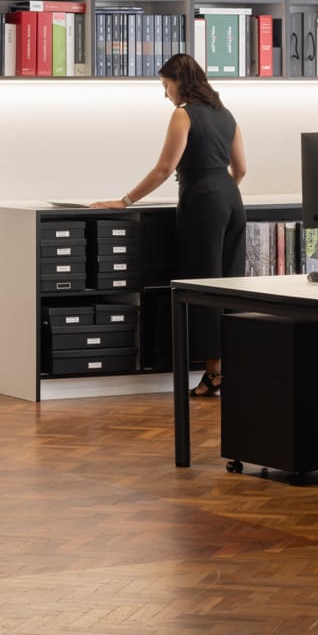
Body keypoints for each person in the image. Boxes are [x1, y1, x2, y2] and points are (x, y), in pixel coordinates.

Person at [94, 53, 246, 396]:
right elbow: (241, 169)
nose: (165, 93)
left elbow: (164, 168)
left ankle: (214, 372)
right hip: (232, 201)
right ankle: (225, 370)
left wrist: (125, 201)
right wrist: (222, 192)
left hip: (203, 202)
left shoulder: (183, 114)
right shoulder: (226, 114)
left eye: (166, 85)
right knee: (230, 284)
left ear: (181, 82)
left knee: (204, 284)